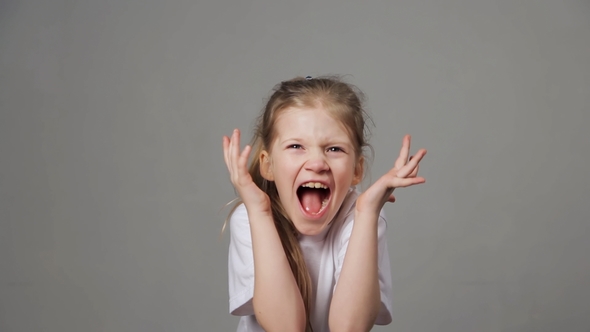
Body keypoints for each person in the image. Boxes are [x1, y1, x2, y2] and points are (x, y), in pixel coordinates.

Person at [222, 76, 426, 332]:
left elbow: (350, 328)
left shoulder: (362, 217)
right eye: (296, 146)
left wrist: (368, 212)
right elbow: (285, 328)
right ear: (267, 164)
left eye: (334, 149)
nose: (317, 163)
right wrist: (260, 213)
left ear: (356, 170)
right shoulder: (250, 218)